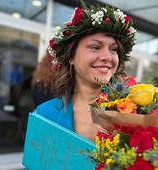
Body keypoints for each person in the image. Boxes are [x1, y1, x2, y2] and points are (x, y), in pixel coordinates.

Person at [35, 2, 137, 141]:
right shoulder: (45, 114)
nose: (107, 57)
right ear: (70, 56)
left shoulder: (135, 110)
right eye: (95, 47)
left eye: (113, 49)